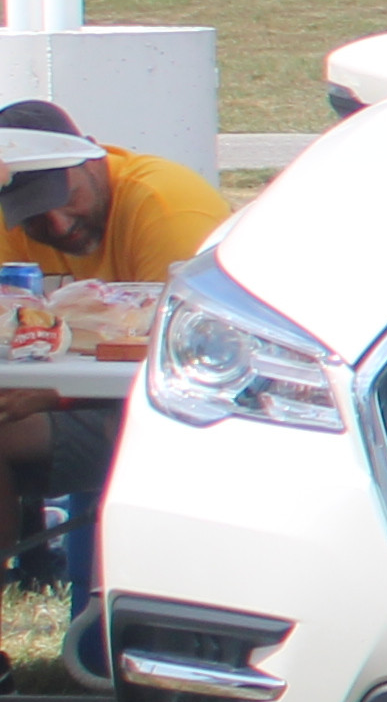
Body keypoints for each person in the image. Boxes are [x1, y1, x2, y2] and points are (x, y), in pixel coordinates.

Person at [0, 103, 237, 600]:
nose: (60, 225)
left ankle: (124, 613)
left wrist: (53, 396)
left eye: (67, 199)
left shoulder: (164, 206)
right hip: (85, 405)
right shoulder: (10, 227)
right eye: (34, 217)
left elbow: (191, 364)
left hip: (180, 417)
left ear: (92, 158)